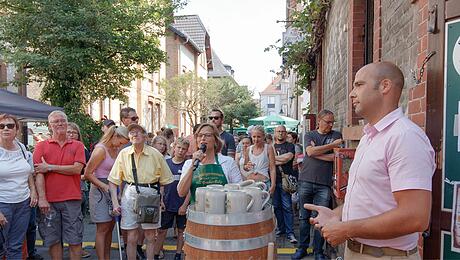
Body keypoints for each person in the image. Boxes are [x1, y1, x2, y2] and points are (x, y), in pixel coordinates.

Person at [305, 62, 436, 260]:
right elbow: (372, 199)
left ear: (385, 86)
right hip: (361, 252)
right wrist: (337, 215)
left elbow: (415, 217)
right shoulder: (370, 136)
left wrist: (346, 229)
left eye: (358, 85)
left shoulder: (405, 137)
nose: (351, 93)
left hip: (386, 256)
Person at [108, 123, 173, 260]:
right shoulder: (124, 154)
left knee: (150, 235)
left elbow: (165, 181)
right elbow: (113, 181)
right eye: (131, 132)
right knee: (131, 236)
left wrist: (161, 199)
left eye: (138, 132)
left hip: (150, 193)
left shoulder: (156, 154)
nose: (134, 134)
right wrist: (115, 203)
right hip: (130, 192)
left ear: (145, 136)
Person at [34, 110, 86, 260]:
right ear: (50, 126)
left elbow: (77, 169)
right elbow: (39, 173)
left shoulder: (77, 145)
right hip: (49, 201)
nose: (60, 123)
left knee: (75, 240)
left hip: (72, 198)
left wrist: (50, 167)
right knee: (53, 240)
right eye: (56, 121)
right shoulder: (41, 146)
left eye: (62, 120)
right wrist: (42, 198)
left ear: (67, 122)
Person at [292, 110, 343, 260]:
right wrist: (330, 147)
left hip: (324, 184)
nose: (330, 124)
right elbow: (309, 151)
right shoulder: (310, 135)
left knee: (321, 219)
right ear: (319, 121)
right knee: (303, 218)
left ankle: (318, 252)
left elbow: (336, 156)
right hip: (306, 180)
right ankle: (302, 248)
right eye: (328, 121)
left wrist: (315, 152)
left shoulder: (336, 135)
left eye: (332, 122)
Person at [84, 126, 129, 260]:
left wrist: (119, 190)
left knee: (110, 227)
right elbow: (87, 173)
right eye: (121, 143)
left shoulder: (116, 149)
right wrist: (104, 186)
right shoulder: (100, 150)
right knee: (102, 228)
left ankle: (107, 257)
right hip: (100, 189)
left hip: (114, 188)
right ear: (115, 137)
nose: (121, 146)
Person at [0, 114, 38, 259]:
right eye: (1, 126)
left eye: (10, 126)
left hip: (23, 204)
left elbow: (28, 172)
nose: (6, 129)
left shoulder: (22, 148)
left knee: (15, 246)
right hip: (3, 204)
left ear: (16, 129)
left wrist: (33, 191)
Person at [177, 123, 242, 203]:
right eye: (200, 135)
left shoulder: (228, 162)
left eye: (207, 135)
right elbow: (181, 193)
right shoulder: (189, 163)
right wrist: (192, 167)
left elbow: (239, 190)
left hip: (223, 213)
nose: (203, 138)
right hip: (198, 212)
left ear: (215, 140)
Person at [153, 138, 191, 260]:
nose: (180, 151)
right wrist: (161, 200)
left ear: (187, 151)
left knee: (181, 231)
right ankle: (155, 253)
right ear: (174, 148)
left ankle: (178, 254)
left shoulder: (188, 165)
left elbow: (190, 187)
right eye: (179, 148)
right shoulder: (166, 163)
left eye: (184, 149)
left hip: (181, 204)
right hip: (167, 203)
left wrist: (185, 205)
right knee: (162, 231)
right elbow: (161, 184)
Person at [272, 125, 297, 244]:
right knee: (276, 206)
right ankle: (281, 229)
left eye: (283, 131)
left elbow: (288, 158)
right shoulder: (270, 146)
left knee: (287, 207)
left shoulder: (290, 146)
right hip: (273, 180)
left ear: (286, 133)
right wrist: (277, 160)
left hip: (285, 181)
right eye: (278, 131)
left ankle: (290, 232)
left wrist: (273, 159)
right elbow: (267, 162)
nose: (281, 133)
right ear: (275, 133)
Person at [242, 126, 276, 194]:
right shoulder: (249, 149)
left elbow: (272, 168)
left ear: (263, 137)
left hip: (263, 183)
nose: (256, 139)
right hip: (250, 183)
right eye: (254, 137)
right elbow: (245, 167)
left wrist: (273, 185)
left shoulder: (268, 148)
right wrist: (247, 166)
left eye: (259, 137)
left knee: (264, 204)